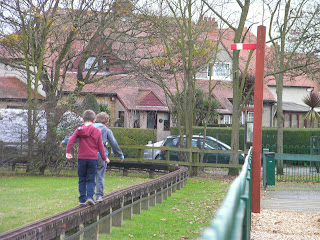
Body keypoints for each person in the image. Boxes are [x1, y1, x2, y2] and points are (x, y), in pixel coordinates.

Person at [61, 112, 124, 203]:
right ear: (106, 122)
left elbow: (76, 138)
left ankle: (84, 197)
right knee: (100, 175)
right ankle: (98, 196)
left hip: (85, 156)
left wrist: (65, 141)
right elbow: (113, 143)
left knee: (85, 177)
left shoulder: (84, 129)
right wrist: (120, 154)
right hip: (101, 155)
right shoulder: (106, 130)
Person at [66, 109, 109, 206]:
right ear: (94, 121)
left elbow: (71, 140)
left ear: (82, 120)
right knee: (90, 178)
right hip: (93, 159)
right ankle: (90, 197)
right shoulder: (97, 131)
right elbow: (101, 146)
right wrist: (104, 158)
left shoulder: (79, 130)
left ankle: (82, 199)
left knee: (82, 178)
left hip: (81, 158)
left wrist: (68, 152)